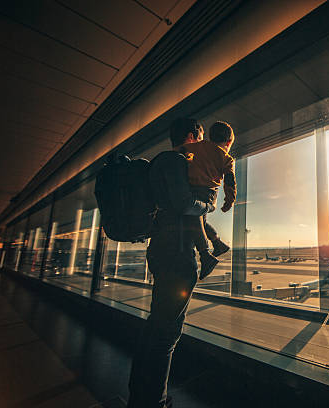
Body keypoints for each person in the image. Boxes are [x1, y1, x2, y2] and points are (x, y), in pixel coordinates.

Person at [127, 118, 224, 408]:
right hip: (177, 253)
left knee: (156, 326)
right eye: (202, 137)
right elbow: (185, 205)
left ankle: (139, 396)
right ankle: (153, 401)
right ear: (193, 136)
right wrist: (208, 205)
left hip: (161, 249)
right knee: (167, 333)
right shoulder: (177, 162)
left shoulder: (160, 163)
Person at [180, 120, 236, 274]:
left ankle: (206, 254)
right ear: (229, 142)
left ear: (210, 136)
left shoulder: (197, 147)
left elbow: (183, 153)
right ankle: (217, 245)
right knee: (200, 221)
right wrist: (229, 201)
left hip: (195, 189)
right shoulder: (226, 158)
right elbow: (230, 181)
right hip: (210, 193)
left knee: (194, 218)